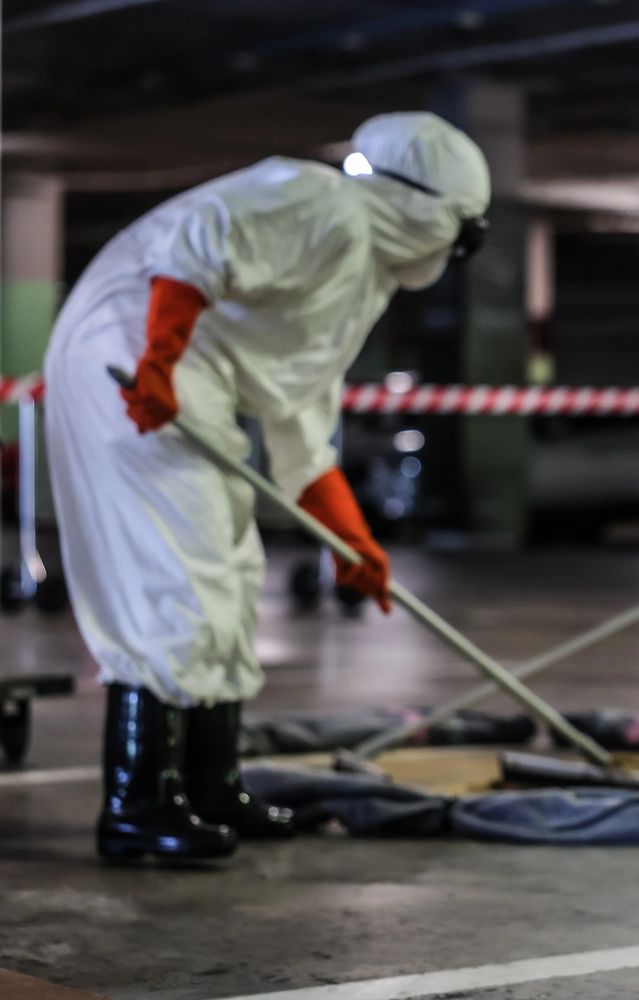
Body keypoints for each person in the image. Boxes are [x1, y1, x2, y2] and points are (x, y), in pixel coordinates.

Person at [43, 111, 491, 862]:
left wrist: (352, 542)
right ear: (430, 208)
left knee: (233, 574)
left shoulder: (360, 276)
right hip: (127, 361)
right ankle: (137, 806)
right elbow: (200, 244)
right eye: (463, 231)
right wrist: (157, 361)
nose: (455, 250)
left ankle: (212, 786)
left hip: (188, 372)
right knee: (175, 577)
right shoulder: (326, 204)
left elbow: (298, 424)